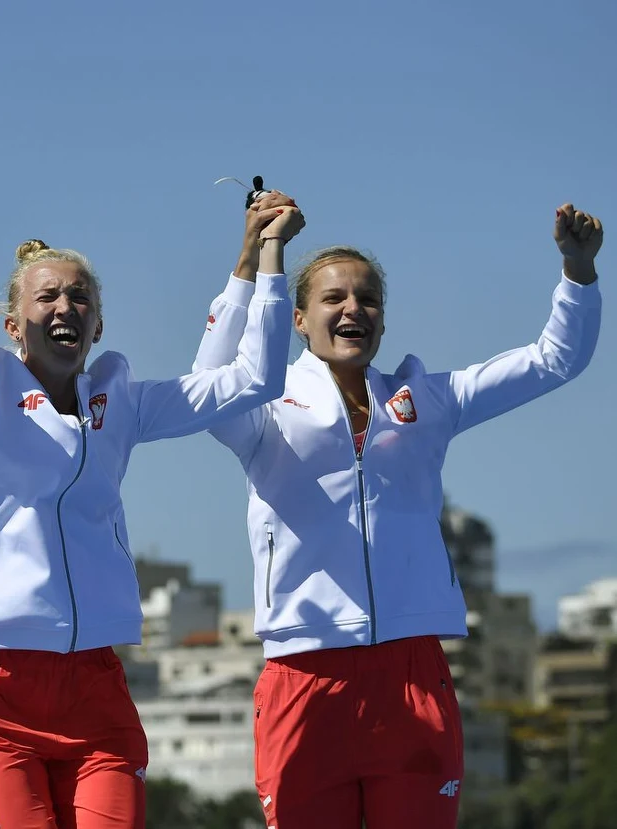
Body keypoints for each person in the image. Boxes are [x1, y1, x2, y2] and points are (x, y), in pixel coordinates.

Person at [0, 117, 301, 827]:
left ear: (98, 327)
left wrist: (260, 258)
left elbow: (255, 378)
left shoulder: (119, 404)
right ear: (12, 324)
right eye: (47, 297)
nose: (65, 307)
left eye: (79, 299)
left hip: (94, 681)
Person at [194, 192, 603, 828]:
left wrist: (578, 273)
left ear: (382, 321)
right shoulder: (263, 408)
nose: (353, 308)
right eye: (333, 298)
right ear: (298, 318)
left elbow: (554, 361)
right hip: (305, 675)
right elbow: (208, 381)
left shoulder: (428, 401)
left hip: (412, 673)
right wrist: (252, 258)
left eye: (367, 299)